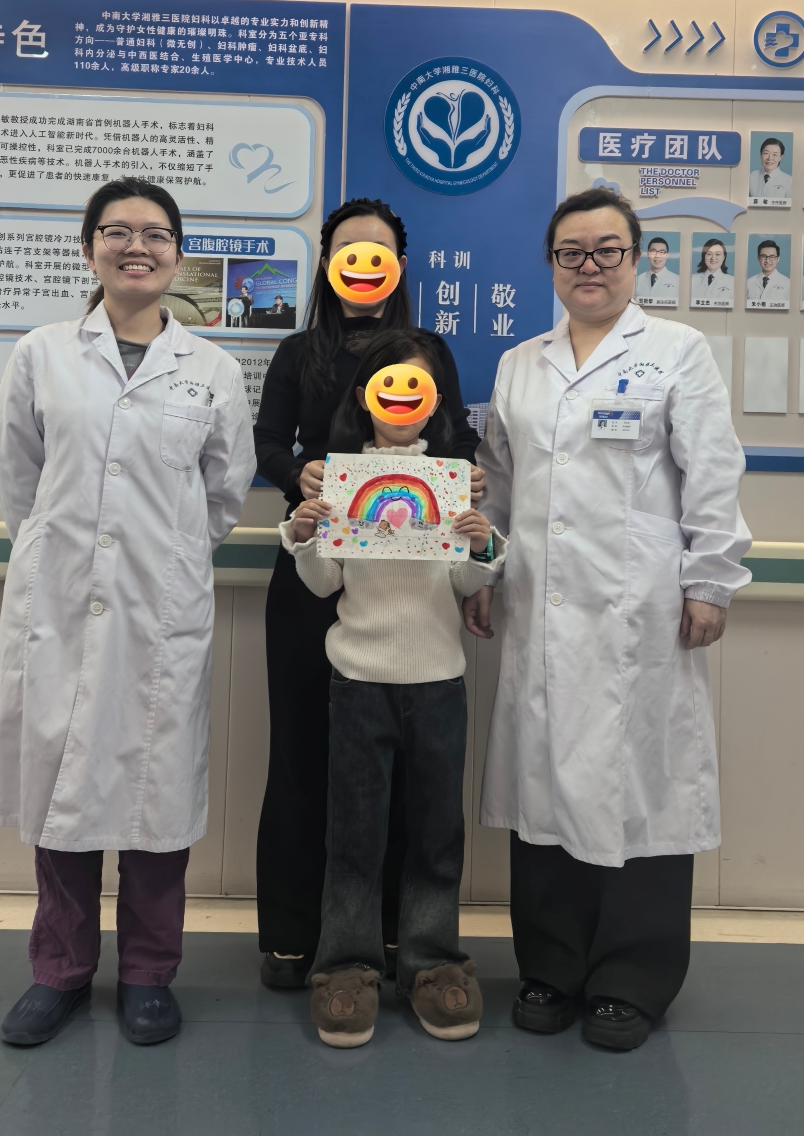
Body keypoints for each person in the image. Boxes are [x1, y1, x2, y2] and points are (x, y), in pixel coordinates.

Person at [465, 186, 751, 1052]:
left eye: (606, 250)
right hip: (538, 606)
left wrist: (711, 580)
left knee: (641, 787)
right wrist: (483, 570)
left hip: (638, 613)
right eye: (571, 252)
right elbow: (497, 481)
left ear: (636, 259)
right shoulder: (521, 363)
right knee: (542, 783)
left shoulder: (676, 351)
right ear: (551, 263)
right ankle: (551, 965)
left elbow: (712, 472)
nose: (588, 266)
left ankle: (633, 976)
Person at [0, 177, 254, 1049]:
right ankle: (58, 968)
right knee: (61, 790)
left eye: (156, 233)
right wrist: (69, 553)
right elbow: (20, 477)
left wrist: (162, 558)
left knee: (154, 800)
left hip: (159, 612)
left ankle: (148, 973)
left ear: (178, 253)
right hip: (59, 605)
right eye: (118, 231)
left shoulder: (211, 368)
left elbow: (224, 493)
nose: (138, 246)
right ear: (89, 246)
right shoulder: (44, 353)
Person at [252, 198, 481, 990]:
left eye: (377, 251)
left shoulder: (428, 352)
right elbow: (267, 442)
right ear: (327, 263)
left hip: (412, 579)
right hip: (318, 557)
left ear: (399, 266)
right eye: (347, 250)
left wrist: (468, 481)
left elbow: (459, 437)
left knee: (407, 767)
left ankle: (393, 935)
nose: (361, 263)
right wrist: (299, 473)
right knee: (303, 750)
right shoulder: (296, 352)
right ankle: (295, 934)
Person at [281, 330, 504, 1047]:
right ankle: (346, 967)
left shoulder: (453, 478)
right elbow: (324, 583)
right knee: (354, 835)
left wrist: (481, 542)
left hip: (438, 681)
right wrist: (305, 532)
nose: (402, 401)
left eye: (417, 389)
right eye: (389, 387)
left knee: (436, 834)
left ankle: (433, 963)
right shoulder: (340, 479)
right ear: (363, 397)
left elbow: (466, 580)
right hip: (358, 680)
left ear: (435, 403)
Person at [635, 237, 678, 305]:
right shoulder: (638, 280)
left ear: (667, 255)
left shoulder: (677, 280)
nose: (657, 256)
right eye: (653, 251)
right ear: (647, 254)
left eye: (662, 252)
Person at [690, 239, 734, 305]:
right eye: (709, 254)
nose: (713, 258)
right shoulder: (692, 279)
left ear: (724, 257)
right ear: (704, 256)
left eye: (718, 254)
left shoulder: (733, 282)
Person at [746, 239, 790, 305]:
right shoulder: (749, 283)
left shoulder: (788, 283)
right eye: (764, 256)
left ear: (778, 259)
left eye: (772, 257)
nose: (767, 260)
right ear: (758, 258)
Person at [748, 137, 791, 203]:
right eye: (766, 153)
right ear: (761, 155)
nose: (770, 158)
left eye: (775, 154)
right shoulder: (751, 176)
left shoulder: (789, 181)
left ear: (780, 157)